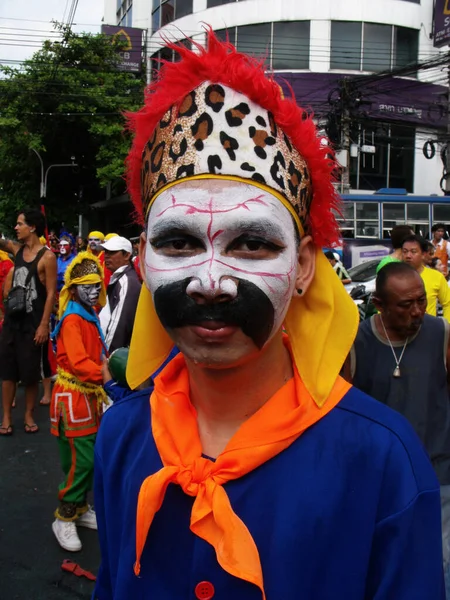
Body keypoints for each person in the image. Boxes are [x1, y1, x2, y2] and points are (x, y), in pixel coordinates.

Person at [93, 32, 444, 599]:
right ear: (142, 263)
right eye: (178, 243)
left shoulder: (383, 463)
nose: (210, 283)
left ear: (304, 265)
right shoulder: (122, 433)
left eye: (252, 245)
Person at [345, 261, 450, 595]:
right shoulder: (355, 342)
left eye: (421, 300)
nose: (418, 311)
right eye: (406, 305)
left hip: (438, 470)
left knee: (440, 560)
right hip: (378, 478)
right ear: (379, 305)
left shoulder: (441, 333)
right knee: (384, 562)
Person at [50, 251, 107, 551]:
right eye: (88, 285)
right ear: (74, 289)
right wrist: (109, 375)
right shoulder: (73, 319)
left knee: (88, 457)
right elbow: (79, 363)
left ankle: (80, 508)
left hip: (87, 397)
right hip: (74, 397)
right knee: (80, 460)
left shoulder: (88, 313)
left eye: (98, 284)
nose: (95, 290)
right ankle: (65, 516)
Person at [0, 209, 57, 435]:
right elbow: (3, 242)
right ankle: (5, 417)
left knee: (31, 373)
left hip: (33, 325)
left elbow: (52, 293)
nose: (16, 228)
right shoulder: (17, 250)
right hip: (12, 324)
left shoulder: (48, 257)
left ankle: (28, 415)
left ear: (32, 227)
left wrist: (44, 325)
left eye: (20, 224)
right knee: (7, 372)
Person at [98, 236, 141, 353]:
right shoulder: (120, 278)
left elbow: (119, 327)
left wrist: (107, 355)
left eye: (112, 252)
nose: (106, 256)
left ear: (127, 255)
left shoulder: (127, 282)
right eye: (106, 252)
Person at [402, 234, 450, 322]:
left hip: (428, 330)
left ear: (423, 254)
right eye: (405, 251)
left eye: (413, 252)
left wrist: (447, 327)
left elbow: (448, 304)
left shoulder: (436, 277)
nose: (408, 256)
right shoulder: (393, 276)